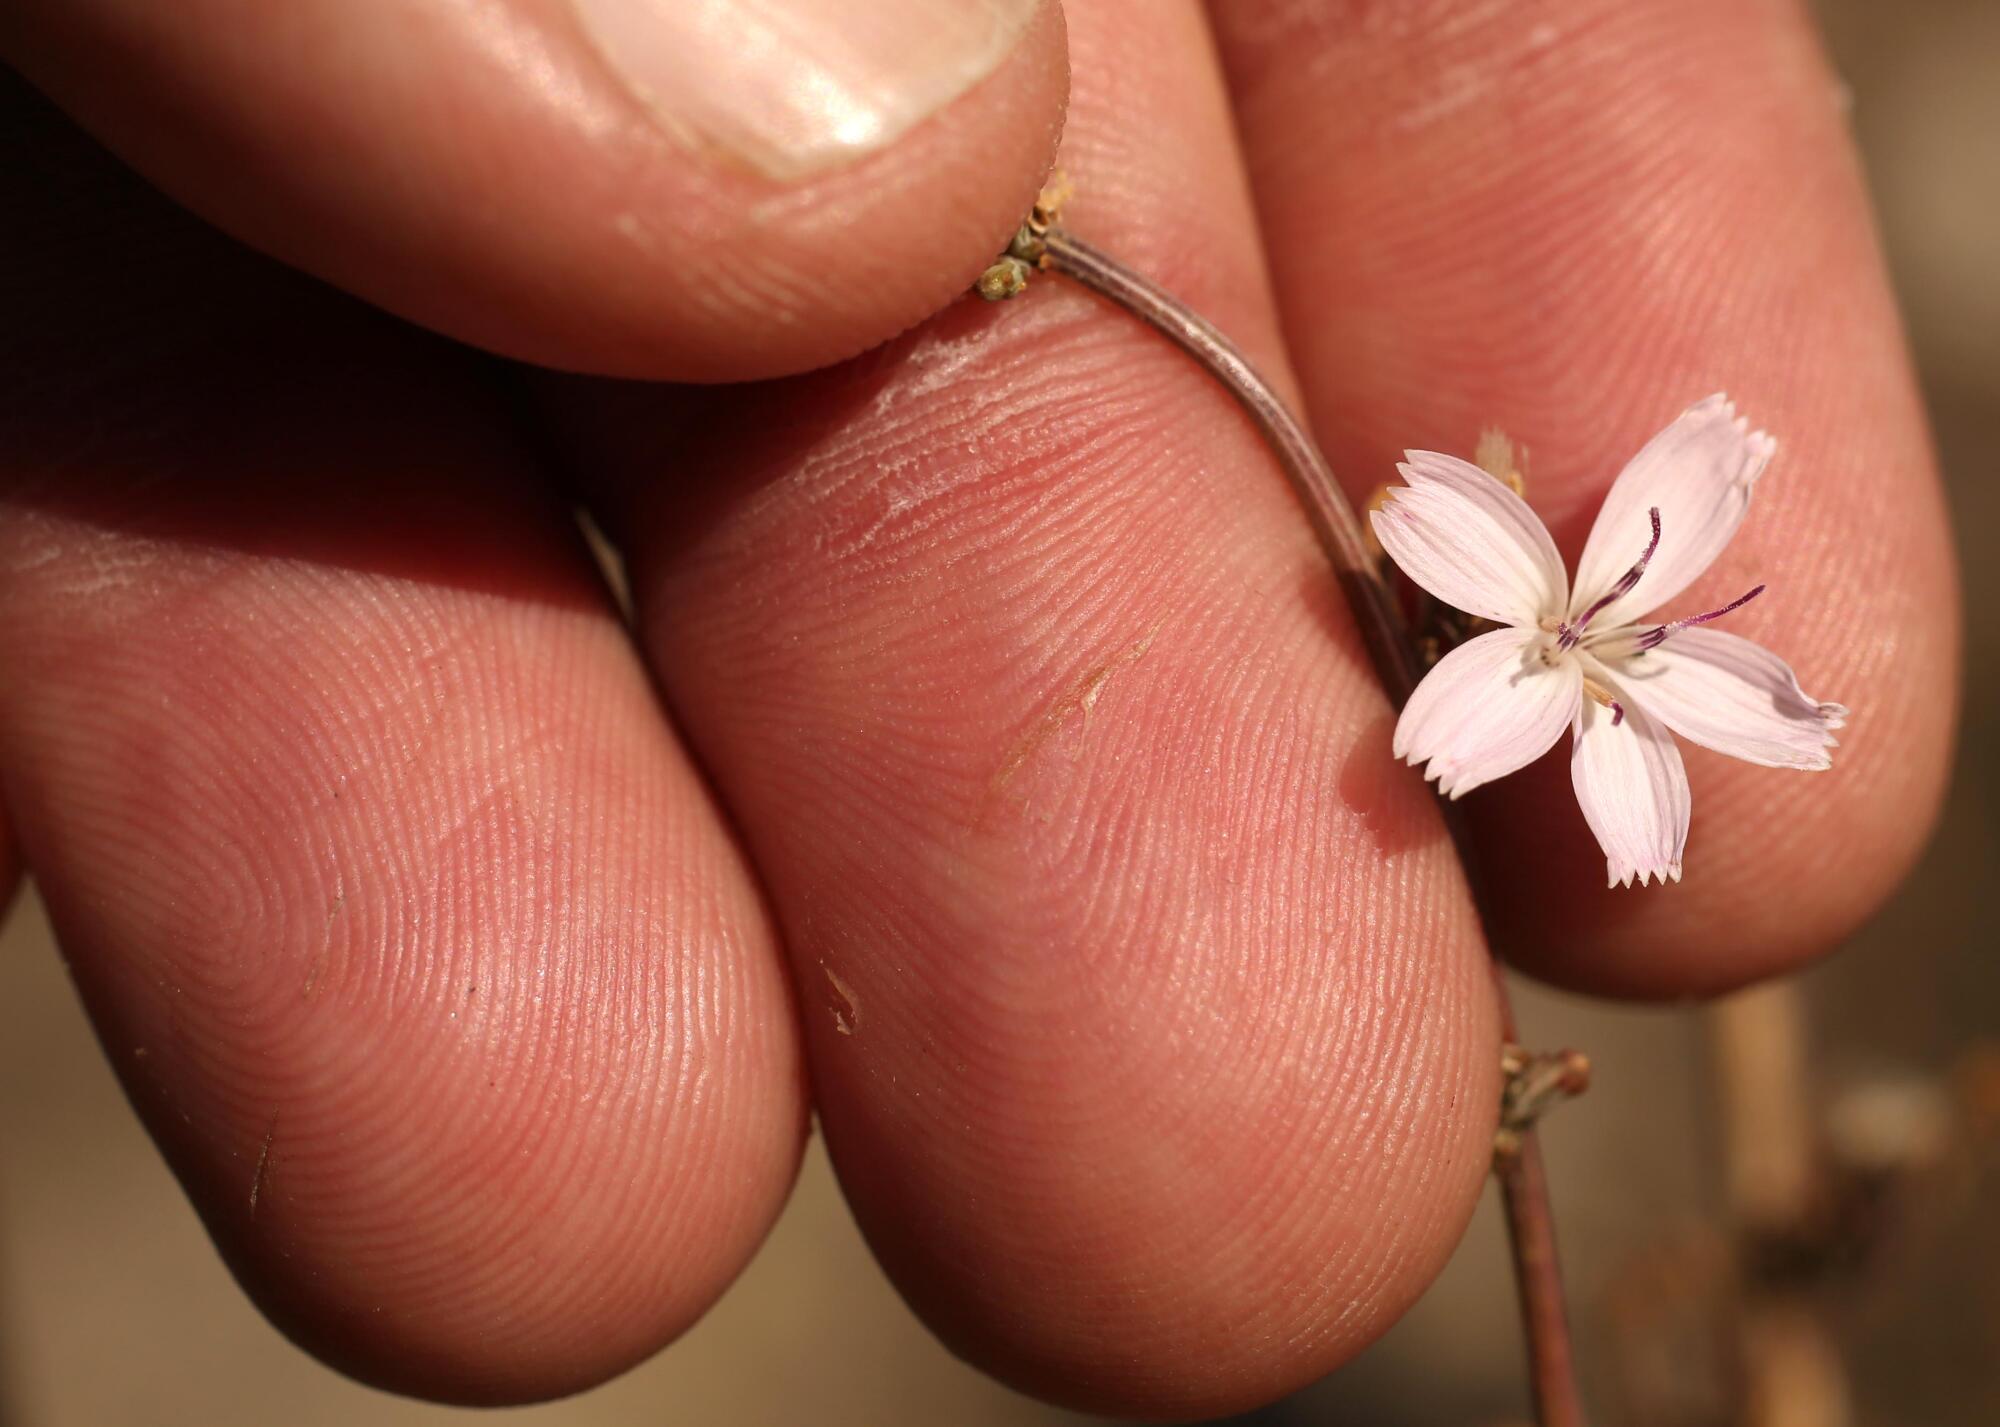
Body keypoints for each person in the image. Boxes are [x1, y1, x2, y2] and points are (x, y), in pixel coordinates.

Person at [0, 0, 1956, 1417]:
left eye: (1612, 633)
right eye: (1587, 627)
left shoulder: (1565, 668)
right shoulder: (1480, 608)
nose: (1606, 639)